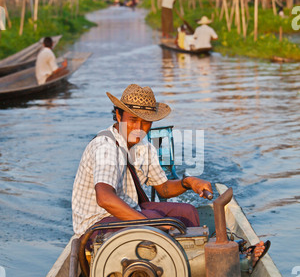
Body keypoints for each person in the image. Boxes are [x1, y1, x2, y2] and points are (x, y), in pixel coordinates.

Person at [72, 84, 267, 264]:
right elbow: (104, 198)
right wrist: (152, 223)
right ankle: (210, 264)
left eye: (146, 122)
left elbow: (163, 188)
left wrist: (188, 182)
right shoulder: (105, 146)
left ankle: (203, 266)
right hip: (96, 227)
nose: (139, 128)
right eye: (133, 120)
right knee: (160, 221)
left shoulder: (143, 145)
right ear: (118, 115)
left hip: (128, 212)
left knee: (187, 212)